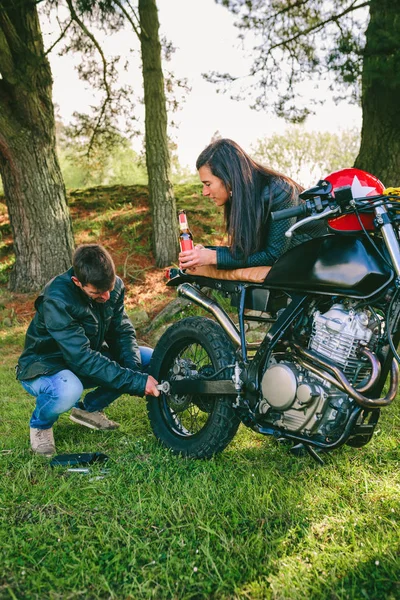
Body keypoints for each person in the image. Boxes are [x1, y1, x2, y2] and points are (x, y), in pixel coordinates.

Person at [16, 244, 160, 457]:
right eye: (98, 292)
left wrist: (134, 370)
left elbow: (121, 332)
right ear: (77, 282)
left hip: (83, 358)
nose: (106, 297)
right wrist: (137, 382)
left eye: (109, 288)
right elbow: (81, 357)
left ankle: (88, 409)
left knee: (147, 357)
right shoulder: (57, 298)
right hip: (45, 365)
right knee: (69, 389)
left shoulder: (113, 288)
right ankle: (40, 425)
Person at [179, 138, 325, 272]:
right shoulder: (241, 199)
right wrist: (203, 253)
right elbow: (245, 252)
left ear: (228, 177)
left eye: (208, 184)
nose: (204, 192)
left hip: (319, 263)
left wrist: (212, 256)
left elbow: (274, 255)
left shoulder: (281, 191)